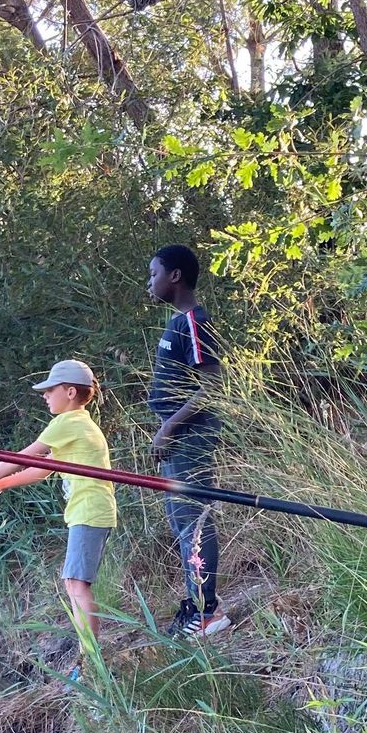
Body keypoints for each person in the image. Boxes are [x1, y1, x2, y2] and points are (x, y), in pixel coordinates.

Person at [0, 360, 116, 648]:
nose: (45, 395)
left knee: (76, 584)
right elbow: (41, 469)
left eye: (50, 390)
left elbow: (22, 457)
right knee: (74, 583)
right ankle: (89, 656)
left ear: (70, 392)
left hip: (90, 511)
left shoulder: (68, 422)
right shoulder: (78, 425)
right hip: (89, 510)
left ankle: (90, 658)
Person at [146, 242, 230, 638]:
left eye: (154, 274)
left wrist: (168, 429)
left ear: (175, 276)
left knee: (194, 520)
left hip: (189, 438)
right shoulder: (178, 323)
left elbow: (212, 387)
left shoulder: (195, 322)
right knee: (182, 523)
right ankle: (195, 604)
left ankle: (207, 611)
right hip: (176, 439)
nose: (150, 283)